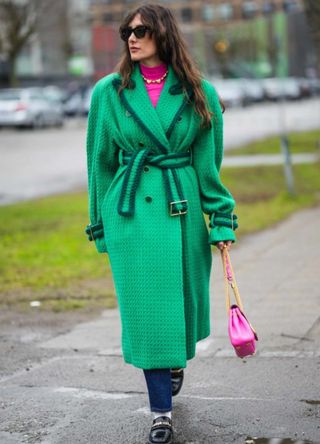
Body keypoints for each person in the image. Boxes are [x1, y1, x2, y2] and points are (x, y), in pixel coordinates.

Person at [85, 4, 238, 444]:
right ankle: (160, 414)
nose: (132, 38)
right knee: (148, 316)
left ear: (163, 34)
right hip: (131, 214)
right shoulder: (108, 93)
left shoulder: (199, 93)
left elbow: (208, 165)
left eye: (142, 30)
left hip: (181, 209)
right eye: (126, 31)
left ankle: (174, 364)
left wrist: (221, 219)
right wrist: (100, 222)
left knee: (182, 307)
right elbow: (100, 163)